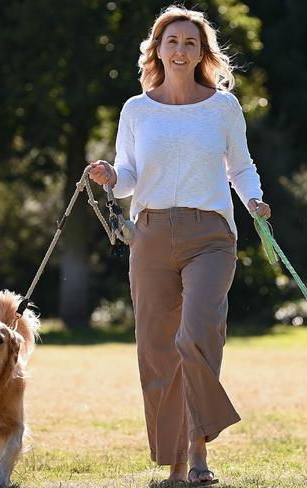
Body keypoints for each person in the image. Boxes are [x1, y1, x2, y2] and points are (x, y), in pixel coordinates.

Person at [89, 6, 271, 485]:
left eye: (191, 42)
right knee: (157, 349)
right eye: (172, 41)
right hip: (149, 236)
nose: (181, 50)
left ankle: (198, 453)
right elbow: (128, 177)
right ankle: (177, 464)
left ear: (202, 52)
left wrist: (254, 200)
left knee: (197, 336)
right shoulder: (136, 109)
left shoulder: (223, 107)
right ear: (158, 49)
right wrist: (111, 176)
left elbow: (241, 167)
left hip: (211, 236)